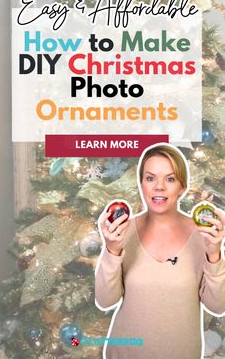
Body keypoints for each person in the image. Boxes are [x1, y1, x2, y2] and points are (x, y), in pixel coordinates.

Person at [95, 143, 225, 359]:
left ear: (182, 186)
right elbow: (105, 301)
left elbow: (217, 306)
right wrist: (112, 250)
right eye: (150, 178)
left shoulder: (203, 235)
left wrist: (214, 254)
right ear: (141, 184)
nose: (159, 187)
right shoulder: (123, 232)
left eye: (170, 179)